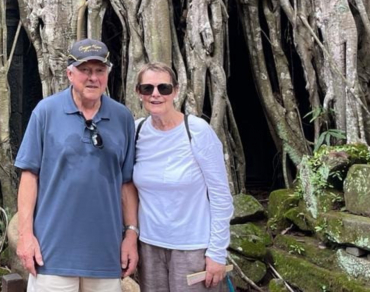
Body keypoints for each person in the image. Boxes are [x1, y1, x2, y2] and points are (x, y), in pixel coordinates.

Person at [15, 38, 139, 292]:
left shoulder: (122, 117)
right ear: (70, 74)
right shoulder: (46, 112)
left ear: (107, 74)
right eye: (85, 70)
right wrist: (25, 236)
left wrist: (131, 235)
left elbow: (126, 183)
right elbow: (29, 176)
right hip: (51, 253)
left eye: (100, 71)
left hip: (105, 254)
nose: (92, 77)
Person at [131, 62, 233, 291]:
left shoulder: (197, 131)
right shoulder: (135, 131)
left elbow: (220, 195)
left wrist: (217, 252)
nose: (155, 94)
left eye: (163, 88)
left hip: (193, 247)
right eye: (147, 88)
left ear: (176, 91)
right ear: (138, 93)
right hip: (149, 246)